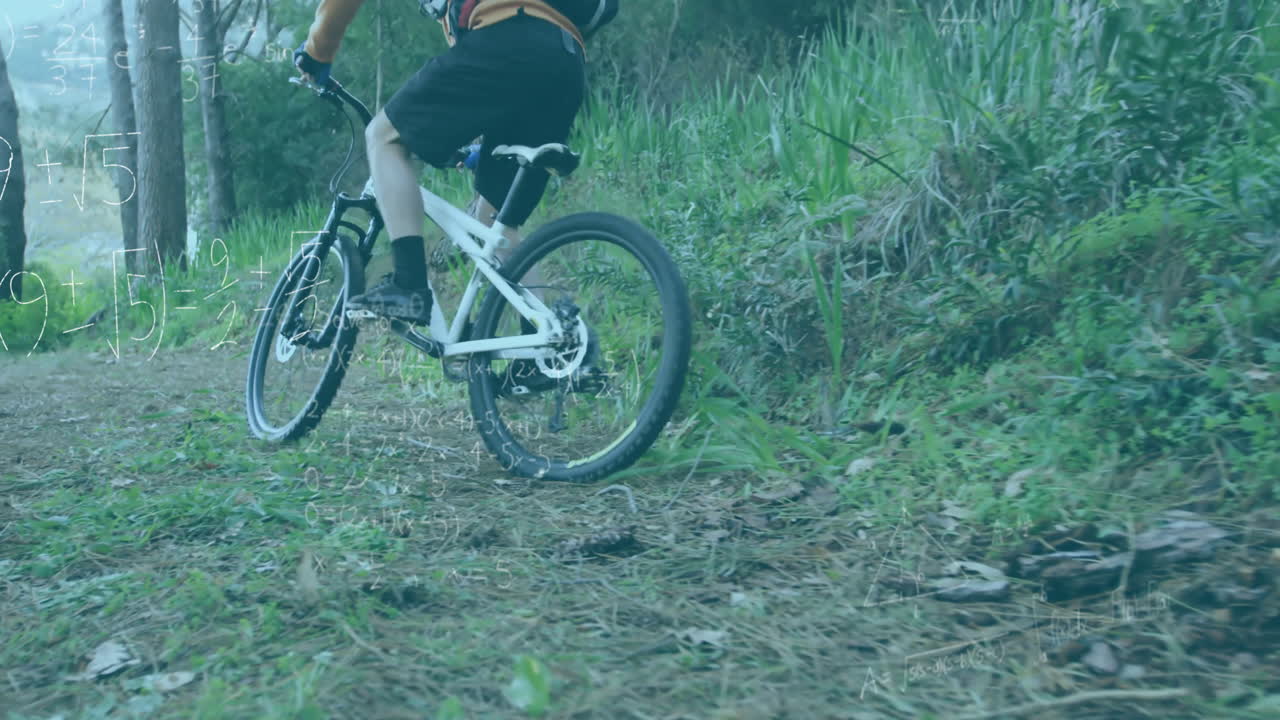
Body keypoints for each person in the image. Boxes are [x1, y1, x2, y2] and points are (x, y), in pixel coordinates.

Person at [293, 0, 589, 326]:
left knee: (383, 137)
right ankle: (543, 351)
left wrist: (317, 51)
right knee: (497, 223)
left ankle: (409, 285)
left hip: (508, 36)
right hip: (565, 59)